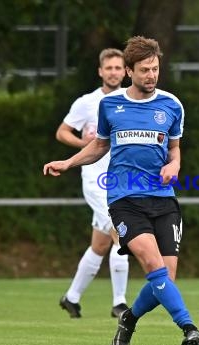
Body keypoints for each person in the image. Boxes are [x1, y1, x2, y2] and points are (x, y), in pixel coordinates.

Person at [43, 35, 199, 345]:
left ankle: (128, 319)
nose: (151, 75)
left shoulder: (171, 104)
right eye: (145, 70)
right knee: (151, 263)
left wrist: (174, 166)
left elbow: (174, 150)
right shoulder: (110, 105)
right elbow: (100, 145)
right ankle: (190, 329)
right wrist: (68, 162)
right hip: (124, 199)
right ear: (130, 72)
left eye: (155, 69)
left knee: (166, 279)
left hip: (163, 199)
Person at [56, 48, 129, 319]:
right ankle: (119, 303)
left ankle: (71, 298)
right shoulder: (87, 102)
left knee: (100, 245)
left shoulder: (131, 100)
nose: (113, 72)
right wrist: (83, 144)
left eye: (118, 68)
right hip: (96, 180)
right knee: (121, 233)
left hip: (122, 180)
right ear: (100, 71)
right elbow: (62, 132)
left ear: (125, 71)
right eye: (108, 68)